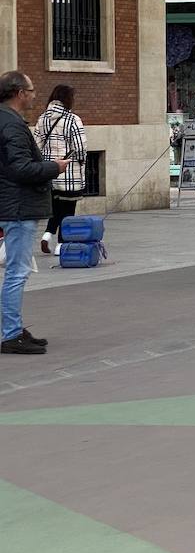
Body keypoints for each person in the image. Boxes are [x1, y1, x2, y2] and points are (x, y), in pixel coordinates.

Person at [0, 71, 66, 355]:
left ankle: (13, 329)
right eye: (31, 90)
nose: (35, 95)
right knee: (17, 271)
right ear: (19, 93)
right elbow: (21, 169)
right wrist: (54, 167)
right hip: (18, 207)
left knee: (17, 270)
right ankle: (10, 333)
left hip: (13, 204)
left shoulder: (7, 120)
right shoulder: (12, 125)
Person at [34, 85, 86, 254]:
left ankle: (47, 235)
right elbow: (79, 148)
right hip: (68, 172)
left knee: (55, 207)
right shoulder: (72, 119)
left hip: (49, 172)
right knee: (68, 210)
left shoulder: (42, 119)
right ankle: (61, 244)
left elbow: (36, 145)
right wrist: (80, 161)